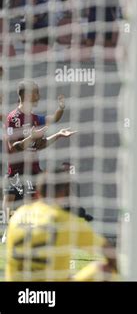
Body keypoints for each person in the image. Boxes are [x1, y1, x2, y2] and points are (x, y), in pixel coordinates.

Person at [5, 168, 118, 281]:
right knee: (103, 269)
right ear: (66, 194)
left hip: (23, 296)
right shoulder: (65, 221)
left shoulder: (18, 215)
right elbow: (109, 252)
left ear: (38, 193)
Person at [2, 80, 76, 244]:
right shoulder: (13, 118)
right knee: (10, 200)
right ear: (27, 95)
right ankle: (7, 232)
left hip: (33, 170)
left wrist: (60, 117)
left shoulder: (35, 118)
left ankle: (35, 237)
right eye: (36, 92)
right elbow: (13, 148)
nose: (39, 95)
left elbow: (42, 141)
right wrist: (31, 137)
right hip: (16, 170)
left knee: (36, 204)